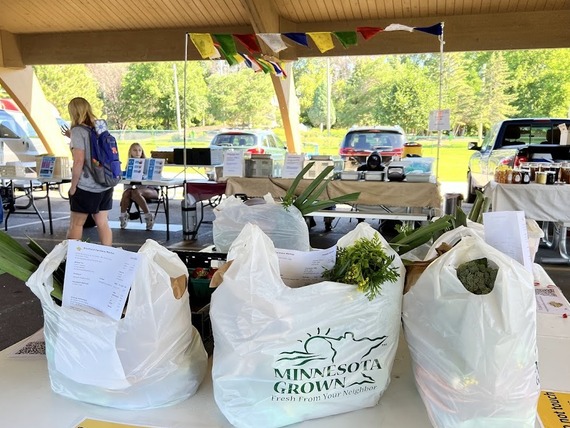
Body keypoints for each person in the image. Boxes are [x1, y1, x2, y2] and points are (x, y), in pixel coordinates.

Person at [67, 97, 113, 245]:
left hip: (86, 185)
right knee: (102, 222)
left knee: (76, 223)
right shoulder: (100, 126)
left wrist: (73, 186)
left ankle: (72, 260)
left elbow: (79, 161)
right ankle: (108, 256)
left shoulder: (77, 131)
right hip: (105, 182)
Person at [119, 142, 159, 230]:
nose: (137, 152)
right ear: (131, 152)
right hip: (136, 191)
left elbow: (154, 178)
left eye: (139, 150)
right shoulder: (129, 164)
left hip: (151, 189)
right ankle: (123, 216)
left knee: (135, 192)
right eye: (135, 150)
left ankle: (149, 216)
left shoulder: (148, 163)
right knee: (127, 193)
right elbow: (127, 184)